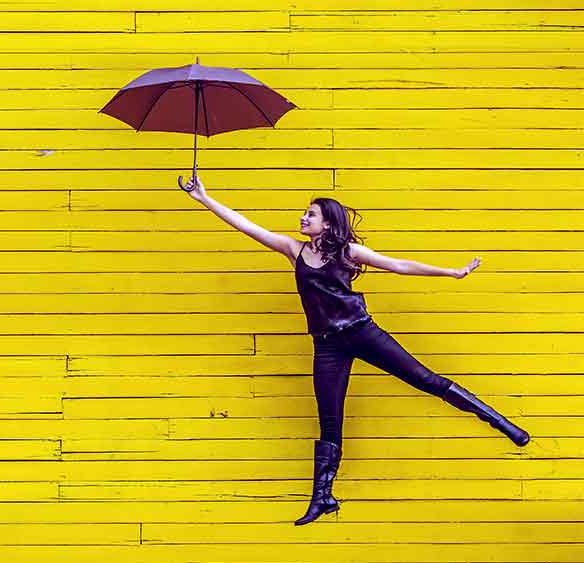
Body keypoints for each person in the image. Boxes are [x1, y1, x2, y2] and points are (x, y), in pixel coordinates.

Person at [180, 174, 530, 526]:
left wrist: (451, 272)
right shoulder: (294, 250)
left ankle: (501, 423)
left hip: (362, 332)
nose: (303, 218)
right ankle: (323, 497)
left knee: (425, 379)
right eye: (305, 214)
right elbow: (247, 227)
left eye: (310, 214)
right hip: (327, 345)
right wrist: (204, 199)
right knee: (329, 421)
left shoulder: (348, 252)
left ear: (328, 223)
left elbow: (398, 265)